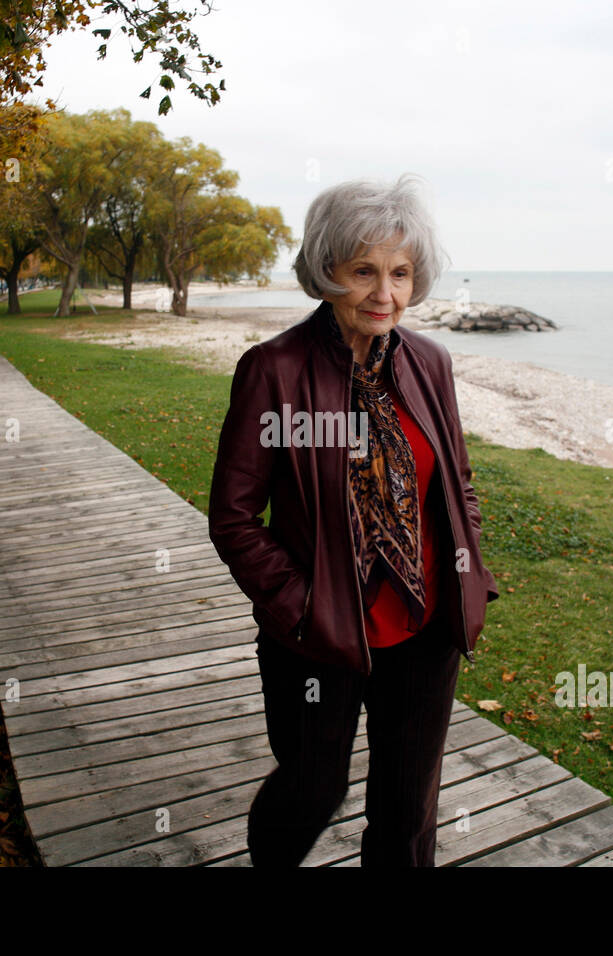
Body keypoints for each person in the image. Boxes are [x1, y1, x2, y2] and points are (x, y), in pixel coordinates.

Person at [207, 172, 498, 867]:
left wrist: (470, 572)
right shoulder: (273, 371)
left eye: (400, 273)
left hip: (425, 630)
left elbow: (457, 483)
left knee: (406, 814)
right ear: (326, 271)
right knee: (312, 789)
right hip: (319, 635)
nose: (385, 293)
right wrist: (300, 606)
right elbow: (235, 517)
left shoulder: (430, 362)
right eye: (363, 270)